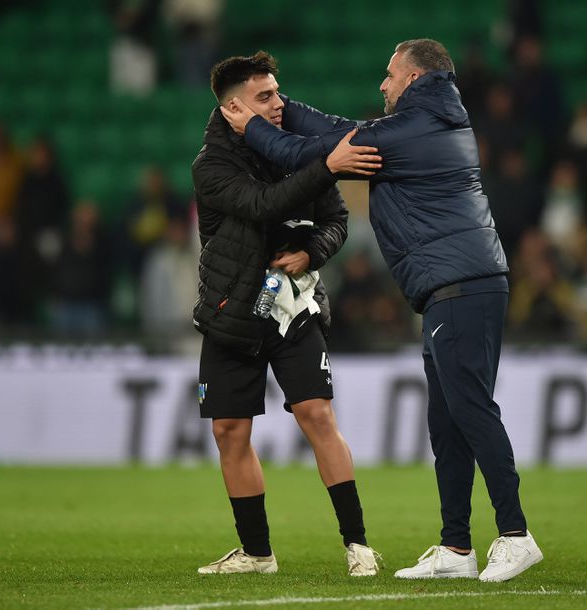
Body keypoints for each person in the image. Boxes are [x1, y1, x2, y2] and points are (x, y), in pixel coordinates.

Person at [221, 39, 543, 582]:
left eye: (390, 75)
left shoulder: (417, 130)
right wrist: (277, 105)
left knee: (471, 410)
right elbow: (337, 130)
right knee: (447, 421)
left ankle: (514, 534)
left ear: (414, 79)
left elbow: (312, 152)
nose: (382, 84)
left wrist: (252, 126)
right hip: (450, 286)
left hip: (463, 285)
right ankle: (457, 548)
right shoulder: (424, 124)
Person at [191, 51, 382, 576]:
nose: (281, 104)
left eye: (278, 92)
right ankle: (257, 554)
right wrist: (326, 166)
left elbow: (336, 219)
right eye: (266, 96)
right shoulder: (212, 166)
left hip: (292, 306)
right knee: (230, 431)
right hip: (231, 311)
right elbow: (263, 205)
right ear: (234, 107)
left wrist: (312, 252)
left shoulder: (292, 143)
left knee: (316, 414)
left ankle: (358, 545)